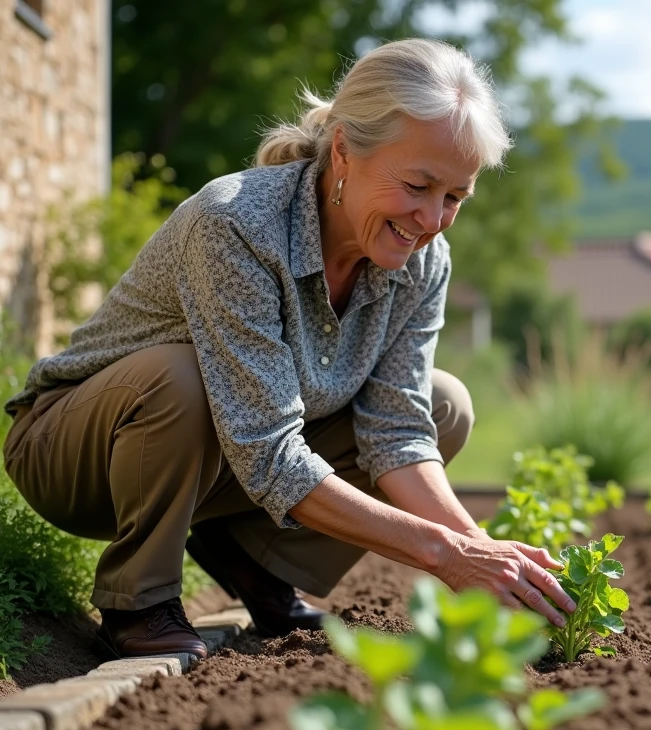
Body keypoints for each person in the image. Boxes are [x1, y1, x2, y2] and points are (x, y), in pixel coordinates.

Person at [2, 39, 575, 661]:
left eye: (455, 196)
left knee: (444, 405)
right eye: (417, 184)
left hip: (219, 463)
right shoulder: (236, 224)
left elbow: (397, 431)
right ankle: (136, 601)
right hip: (77, 454)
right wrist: (443, 553)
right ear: (344, 152)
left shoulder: (422, 263)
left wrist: (483, 554)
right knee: (179, 377)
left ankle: (251, 558)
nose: (433, 218)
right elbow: (268, 449)